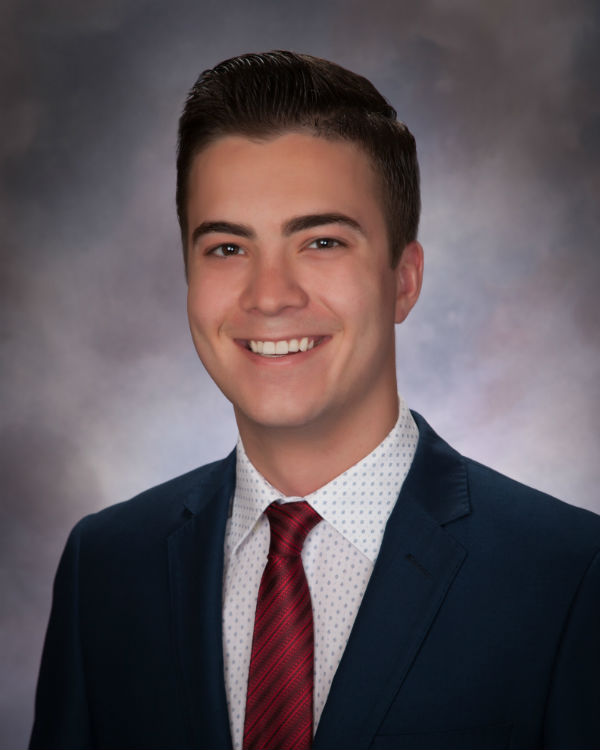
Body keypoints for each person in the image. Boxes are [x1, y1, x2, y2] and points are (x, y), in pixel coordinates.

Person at [30, 51, 600, 750]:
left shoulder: (569, 576)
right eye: (227, 248)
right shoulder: (108, 567)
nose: (270, 296)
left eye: (322, 241)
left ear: (403, 281)